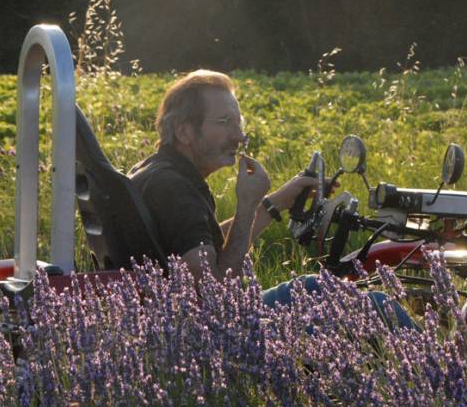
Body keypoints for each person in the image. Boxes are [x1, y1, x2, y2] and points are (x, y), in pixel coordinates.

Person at [128, 69, 417, 330]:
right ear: (184, 130)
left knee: (313, 287)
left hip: (195, 322)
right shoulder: (175, 190)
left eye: (238, 123)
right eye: (224, 122)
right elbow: (215, 292)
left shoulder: (158, 173)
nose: (239, 136)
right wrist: (246, 206)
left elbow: (204, 249)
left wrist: (276, 202)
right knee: (376, 306)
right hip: (213, 335)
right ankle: (448, 377)